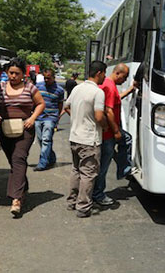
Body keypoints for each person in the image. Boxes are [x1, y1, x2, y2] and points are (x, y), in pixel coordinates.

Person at [0, 57, 45, 217]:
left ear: (23, 74)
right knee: (13, 160)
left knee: (19, 158)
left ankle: (16, 199)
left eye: (16, 73)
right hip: (4, 129)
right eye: (11, 73)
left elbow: (41, 103)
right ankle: (23, 187)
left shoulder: (30, 87)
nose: (13, 76)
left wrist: (32, 118)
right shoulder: (0, 87)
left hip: (25, 129)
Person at [63, 61, 108, 218]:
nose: (105, 77)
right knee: (88, 174)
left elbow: (66, 106)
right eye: (104, 73)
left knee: (76, 170)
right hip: (89, 140)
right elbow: (99, 116)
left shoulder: (77, 88)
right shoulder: (98, 92)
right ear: (99, 73)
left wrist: (76, 119)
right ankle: (83, 207)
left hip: (74, 137)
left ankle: (72, 201)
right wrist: (105, 126)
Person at [92, 63, 136, 206]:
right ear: (117, 73)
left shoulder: (108, 84)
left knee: (126, 139)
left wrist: (129, 90)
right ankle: (98, 194)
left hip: (108, 132)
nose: (125, 79)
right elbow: (109, 110)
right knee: (103, 166)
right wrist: (116, 131)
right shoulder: (110, 86)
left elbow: (115, 100)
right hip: (109, 134)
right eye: (125, 76)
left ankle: (123, 167)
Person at [34, 69, 65, 171]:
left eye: (49, 78)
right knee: (41, 140)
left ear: (53, 77)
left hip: (50, 118)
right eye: (45, 78)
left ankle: (42, 163)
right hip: (38, 117)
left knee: (46, 140)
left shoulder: (59, 90)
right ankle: (51, 157)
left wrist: (57, 117)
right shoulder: (38, 87)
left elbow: (60, 104)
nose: (47, 80)